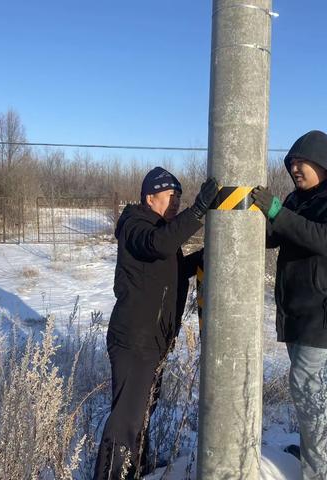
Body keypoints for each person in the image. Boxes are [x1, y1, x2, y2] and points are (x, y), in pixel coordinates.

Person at [252, 130, 327, 479]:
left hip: (326, 315)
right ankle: (320, 457)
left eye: (302, 162)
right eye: (291, 164)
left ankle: (319, 472)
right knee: (317, 391)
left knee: (309, 389)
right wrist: (242, 216)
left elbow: (326, 239)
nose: (295, 169)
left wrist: (277, 211)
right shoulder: (296, 200)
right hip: (299, 312)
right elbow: (274, 236)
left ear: (325, 161)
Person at [94, 167, 218, 480]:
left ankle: (137, 470)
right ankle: (111, 475)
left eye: (180, 196)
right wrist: (198, 210)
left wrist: (205, 256)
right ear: (150, 197)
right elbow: (156, 245)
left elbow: (169, 270)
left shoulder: (161, 229)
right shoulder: (135, 224)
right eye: (170, 195)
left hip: (154, 339)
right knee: (127, 420)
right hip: (134, 338)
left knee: (143, 413)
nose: (176, 201)